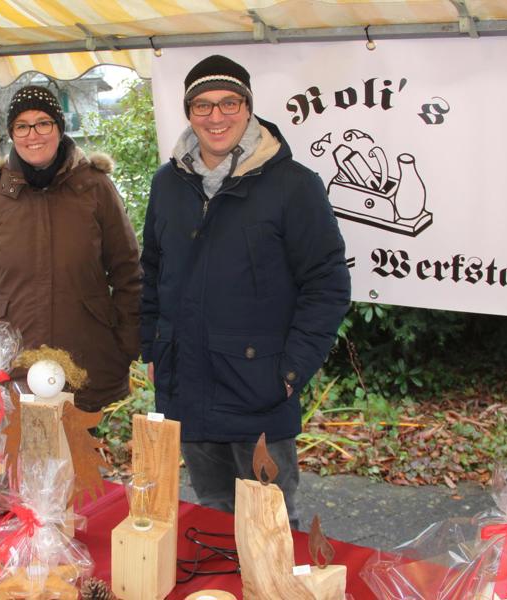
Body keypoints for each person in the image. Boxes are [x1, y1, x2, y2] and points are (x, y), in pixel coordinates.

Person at [140, 56, 351, 527]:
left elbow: (328, 284)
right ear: (188, 112)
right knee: (210, 520)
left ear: (249, 107)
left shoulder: (293, 186)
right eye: (203, 106)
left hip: (259, 391)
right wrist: (154, 346)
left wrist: (291, 371)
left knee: (269, 527)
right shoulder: (167, 183)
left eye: (229, 103)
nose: (216, 117)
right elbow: (152, 270)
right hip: (186, 389)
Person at [0, 85, 141, 412]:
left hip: (88, 357)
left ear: (59, 127)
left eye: (43, 123)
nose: (33, 135)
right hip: (10, 361)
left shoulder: (94, 186)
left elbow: (128, 272)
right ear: (12, 133)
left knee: (83, 457)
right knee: (16, 457)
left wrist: (125, 343)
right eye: (22, 126)